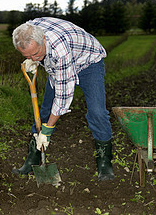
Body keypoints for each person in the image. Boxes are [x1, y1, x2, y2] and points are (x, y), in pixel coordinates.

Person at [11, 17, 114, 181]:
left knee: (97, 112)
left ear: (43, 39)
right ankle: (33, 159)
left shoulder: (59, 50)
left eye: (36, 54)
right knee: (44, 111)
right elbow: (34, 52)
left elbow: (63, 96)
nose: (33, 58)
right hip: (60, 63)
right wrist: (33, 58)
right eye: (27, 55)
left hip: (88, 62)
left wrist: (48, 130)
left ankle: (105, 164)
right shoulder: (27, 31)